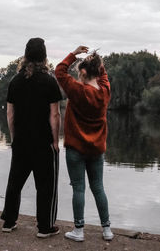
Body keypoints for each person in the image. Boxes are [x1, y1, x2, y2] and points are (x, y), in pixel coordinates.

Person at [0, 37, 62, 238]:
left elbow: (10, 114)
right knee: (45, 185)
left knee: (15, 182)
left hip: (21, 141)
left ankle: (9, 222)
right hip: (43, 142)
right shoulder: (50, 81)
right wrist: (55, 140)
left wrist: (14, 137)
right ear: (44, 57)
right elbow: (55, 115)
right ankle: (45, 227)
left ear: (26, 55)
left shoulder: (15, 81)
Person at [54, 46, 114, 242]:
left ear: (83, 72)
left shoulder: (77, 90)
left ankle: (79, 231)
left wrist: (74, 53)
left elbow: (59, 71)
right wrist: (95, 59)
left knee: (78, 188)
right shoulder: (104, 91)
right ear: (97, 72)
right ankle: (106, 230)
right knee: (98, 188)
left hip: (75, 149)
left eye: (80, 71)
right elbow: (102, 74)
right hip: (96, 150)